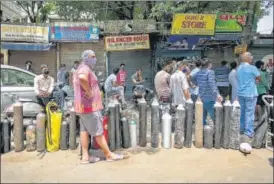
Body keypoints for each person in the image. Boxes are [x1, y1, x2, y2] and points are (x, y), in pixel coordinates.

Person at [73, 50, 126, 164]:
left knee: (84, 131)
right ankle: (108, 155)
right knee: (98, 131)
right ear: (85, 58)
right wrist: (89, 90)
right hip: (89, 107)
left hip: (81, 108)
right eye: (92, 56)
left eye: (95, 56)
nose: (94, 58)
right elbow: (82, 78)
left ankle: (86, 157)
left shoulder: (79, 68)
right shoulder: (84, 68)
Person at [237, 52, 261, 144]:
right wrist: (255, 81)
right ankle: (249, 132)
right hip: (250, 93)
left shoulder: (238, 68)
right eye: (251, 57)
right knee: (250, 113)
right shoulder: (252, 68)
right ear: (247, 58)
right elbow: (259, 78)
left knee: (242, 112)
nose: (252, 58)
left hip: (241, 93)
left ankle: (241, 129)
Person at [192, 59, 223, 125]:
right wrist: (218, 95)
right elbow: (212, 85)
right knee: (215, 117)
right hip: (210, 97)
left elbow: (192, 79)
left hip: (201, 98)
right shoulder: (210, 72)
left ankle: (202, 133)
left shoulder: (198, 72)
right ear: (209, 64)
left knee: (202, 118)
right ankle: (217, 133)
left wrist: (198, 84)